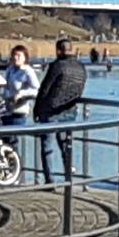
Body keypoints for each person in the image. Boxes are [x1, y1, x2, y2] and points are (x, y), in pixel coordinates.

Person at [33, 38, 87, 182]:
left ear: (58, 50)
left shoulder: (57, 66)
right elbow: (80, 89)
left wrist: (37, 109)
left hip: (51, 110)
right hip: (70, 110)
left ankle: (49, 180)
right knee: (66, 146)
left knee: (47, 147)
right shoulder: (81, 67)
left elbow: (45, 88)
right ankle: (68, 178)